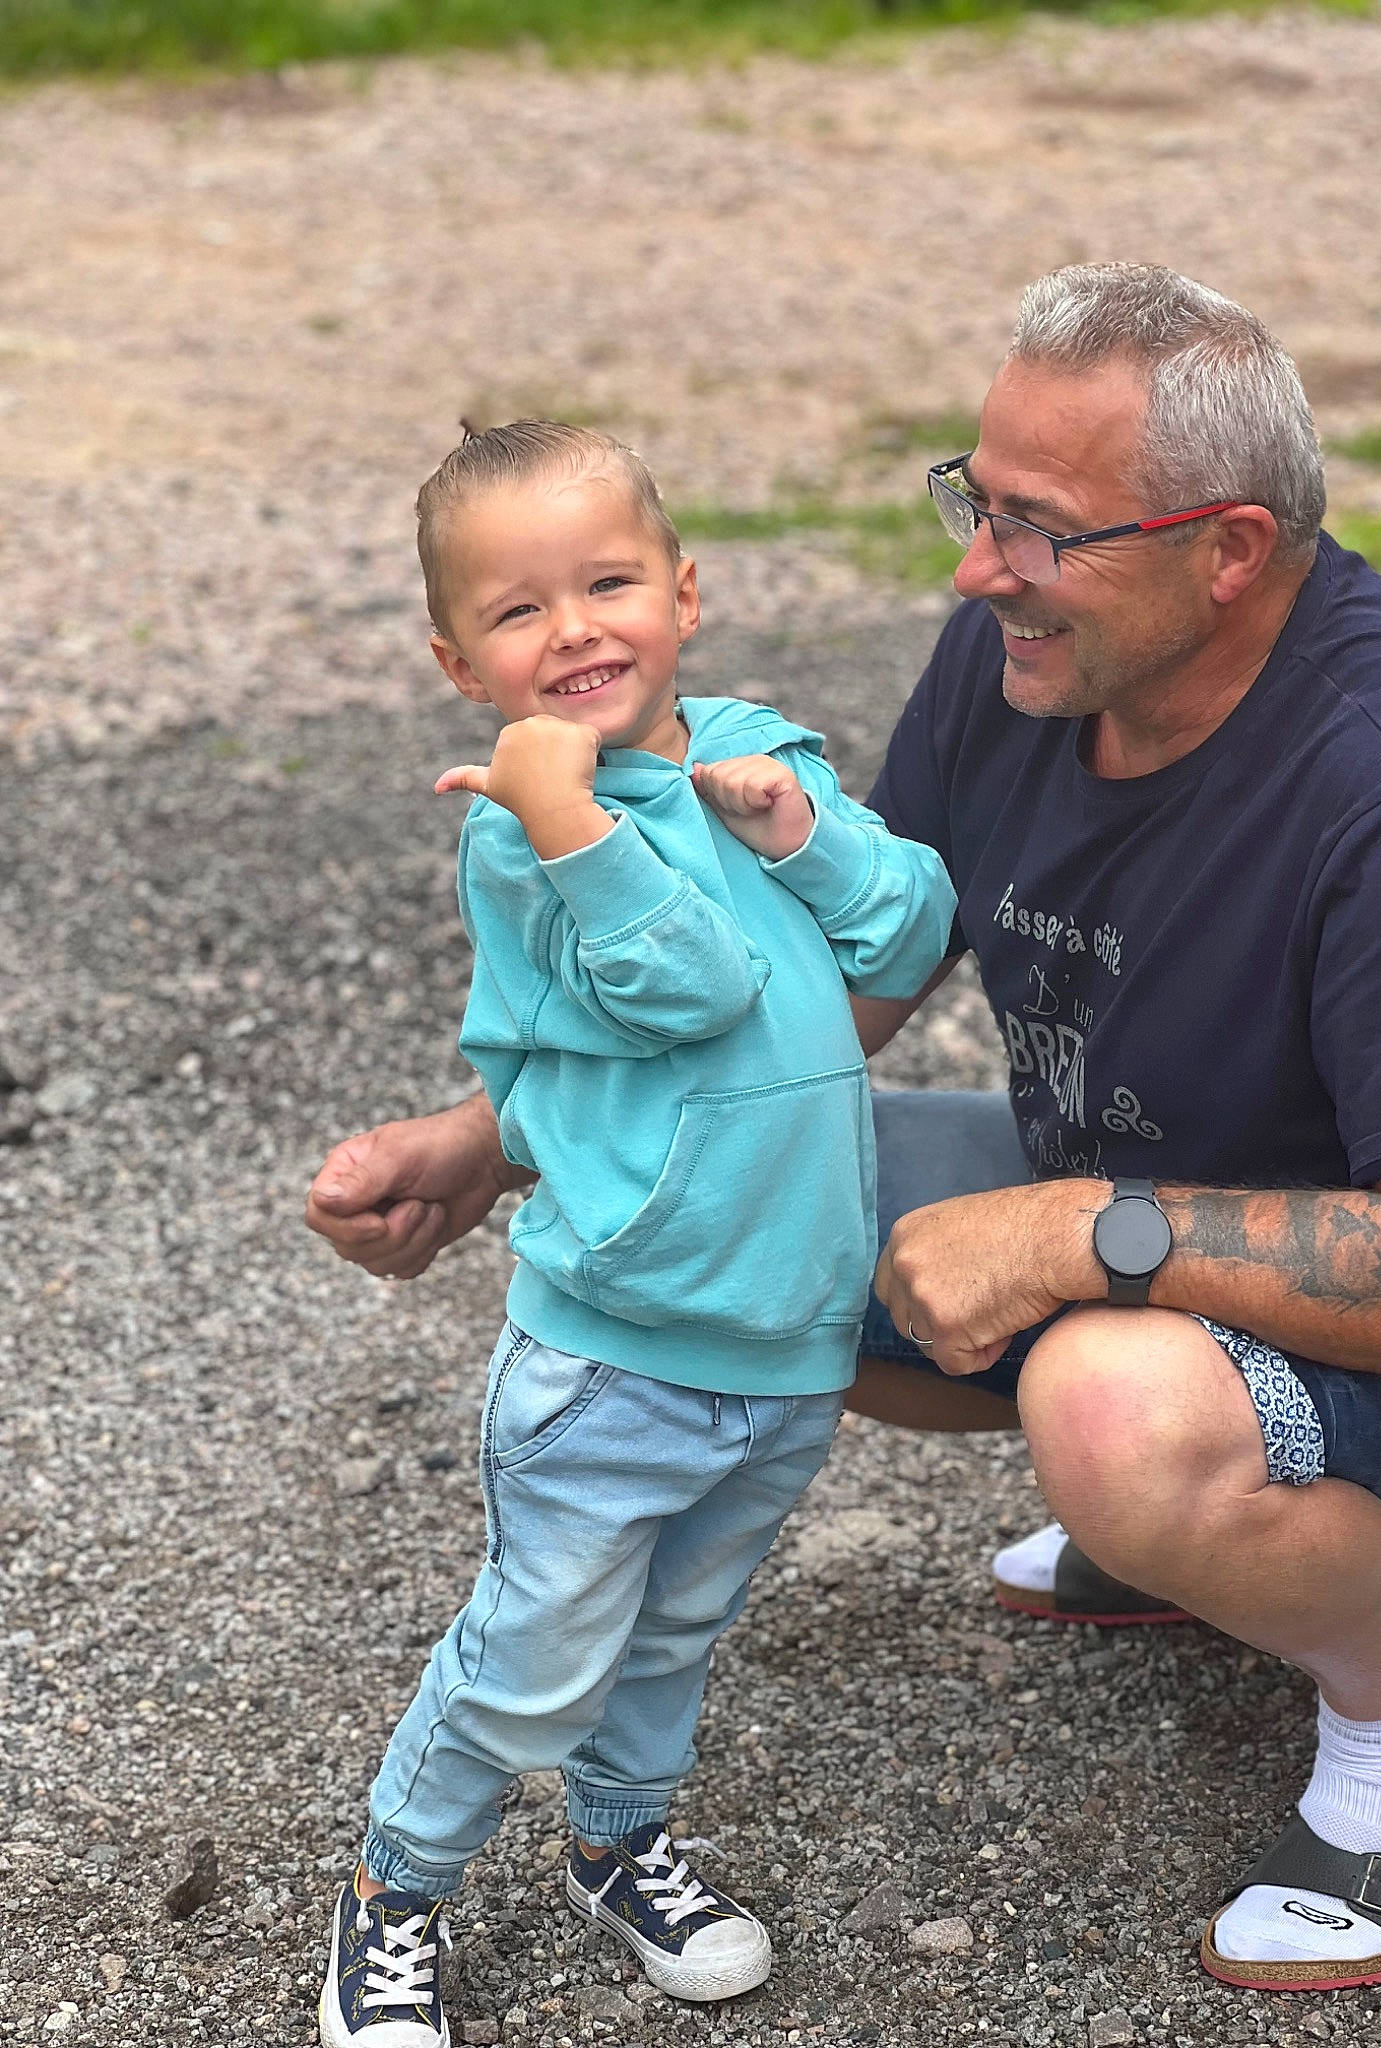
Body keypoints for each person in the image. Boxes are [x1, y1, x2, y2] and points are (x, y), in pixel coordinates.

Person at [309, 267, 1381, 1997]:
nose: (973, 572)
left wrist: (1069, 1240)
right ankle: (1184, 1532)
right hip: (1181, 1235)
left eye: (1034, 528)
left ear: (1230, 548)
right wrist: (482, 1143)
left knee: (1103, 1400)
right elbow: (822, 995)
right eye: (975, 501)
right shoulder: (1033, 651)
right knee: (763, 1203)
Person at [316, 420, 957, 2048]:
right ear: (463, 664)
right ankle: (396, 1891)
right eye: (521, 613)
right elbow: (691, 989)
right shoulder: (517, 829)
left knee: (678, 1630)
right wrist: (568, 815)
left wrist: (790, 828)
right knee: (536, 1652)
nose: (577, 630)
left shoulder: (760, 751)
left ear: (685, 588)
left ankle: (619, 1840)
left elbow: (911, 925)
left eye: (608, 582)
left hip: (787, 1335)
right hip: (620, 1340)